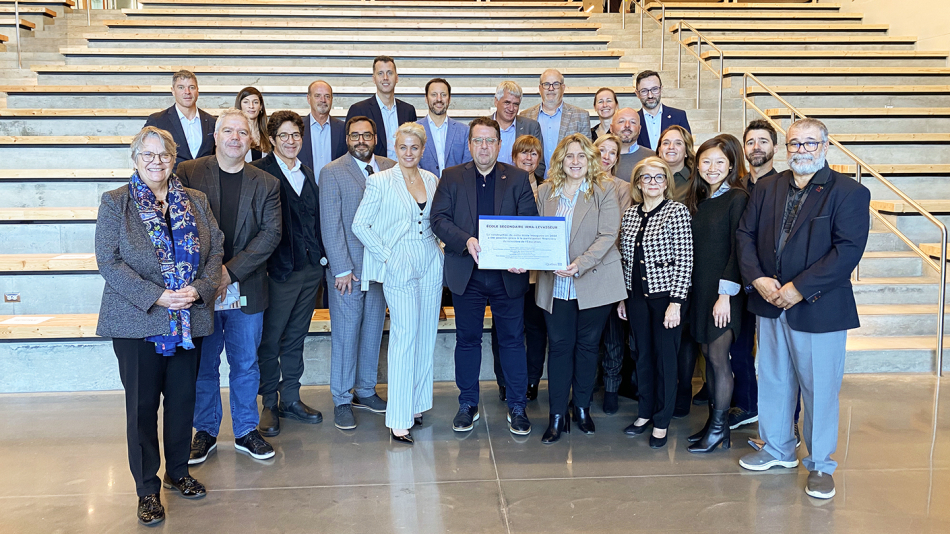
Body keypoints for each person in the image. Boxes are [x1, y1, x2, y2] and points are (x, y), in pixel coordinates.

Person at [96, 126, 223, 525]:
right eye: (148, 155)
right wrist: (157, 296)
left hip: (189, 317)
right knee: (142, 406)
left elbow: (215, 248)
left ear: (173, 160)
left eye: (164, 156)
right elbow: (109, 261)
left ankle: (179, 471)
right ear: (135, 159)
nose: (157, 162)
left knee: (183, 400)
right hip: (139, 322)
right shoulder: (116, 202)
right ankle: (147, 487)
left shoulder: (196, 200)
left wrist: (198, 290)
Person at [737, 118, 870, 500]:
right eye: (795, 144)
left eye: (810, 144)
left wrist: (799, 288)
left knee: (819, 390)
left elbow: (847, 252)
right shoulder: (768, 187)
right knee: (774, 381)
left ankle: (821, 465)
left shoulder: (848, 192)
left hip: (818, 309)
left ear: (826, 147)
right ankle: (778, 449)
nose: (802, 151)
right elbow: (745, 235)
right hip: (770, 302)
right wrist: (758, 278)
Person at [177, 108, 282, 465]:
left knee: (245, 363)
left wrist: (229, 273)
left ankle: (245, 431)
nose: (235, 138)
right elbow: (179, 228)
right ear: (216, 136)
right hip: (200, 291)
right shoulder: (188, 172)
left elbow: (271, 235)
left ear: (251, 139)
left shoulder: (266, 182)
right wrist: (210, 277)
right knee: (204, 365)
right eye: (228, 131)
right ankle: (205, 431)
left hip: (246, 287)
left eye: (242, 132)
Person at [431, 117, 539, 435]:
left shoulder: (517, 178)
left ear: (499, 144)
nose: (484, 146)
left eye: (490, 140)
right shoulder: (451, 177)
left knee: (512, 342)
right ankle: (467, 404)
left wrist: (520, 256)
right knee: (467, 341)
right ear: (469, 144)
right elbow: (438, 218)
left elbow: (528, 222)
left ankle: (517, 406)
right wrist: (465, 239)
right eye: (478, 140)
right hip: (468, 273)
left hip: (508, 276)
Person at [352, 122, 443, 444]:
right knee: (404, 335)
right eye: (403, 147)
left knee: (425, 333)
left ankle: (417, 405)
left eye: (414, 148)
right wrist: (388, 255)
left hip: (431, 259)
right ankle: (399, 418)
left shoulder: (432, 180)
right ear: (395, 147)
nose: (408, 153)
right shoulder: (379, 181)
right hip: (398, 261)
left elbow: (438, 220)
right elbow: (360, 224)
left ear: (422, 149)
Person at [535, 133, 626, 444]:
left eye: (581, 156)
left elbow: (608, 234)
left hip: (594, 279)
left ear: (591, 160)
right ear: (560, 160)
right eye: (569, 156)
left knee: (588, 348)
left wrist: (580, 263)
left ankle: (583, 408)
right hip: (555, 282)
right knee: (559, 348)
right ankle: (557, 415)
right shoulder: (545, 191)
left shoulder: (604, 189)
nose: (575, 162)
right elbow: (536, 234)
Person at [250, 110, 327, 438]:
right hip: (277, 272)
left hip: (310, 271)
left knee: (296, 337)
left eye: (296, 135)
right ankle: (270, 401)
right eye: (284, 136)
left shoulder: (307, 172)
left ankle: (291, 398)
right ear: (272, 139)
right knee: (271, 339)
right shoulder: (258, 173)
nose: (291, 141)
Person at [319, 116, 396, 430]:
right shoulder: (332, 171)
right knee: (346, 334)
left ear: (375, 137)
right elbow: (331, 223)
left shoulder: (391, 167)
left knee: (373, 330)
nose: (361, 140)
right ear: (347, 138)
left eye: (367, 135)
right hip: (348, 271)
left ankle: (365, 390)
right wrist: (341, 268)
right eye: (355, 135)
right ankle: (341, 398)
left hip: (382, 268)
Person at [617, 156, 692, 448]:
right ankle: (645, 412)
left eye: (659, 177)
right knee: (642, 357)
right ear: (637, 182)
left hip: (665, 300)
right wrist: (624, 296)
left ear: (667, 182)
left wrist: (676, 302)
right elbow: (626, 259)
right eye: (646, 177)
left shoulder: (677, 212)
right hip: (636, 298)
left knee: (665, 360)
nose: (652, 183)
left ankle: (662, 420)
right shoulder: (631, 214)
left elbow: (685, 260)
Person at [682, 136, 749, 454]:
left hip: (724, 293)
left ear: (732, 165)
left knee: (720, 360)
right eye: (706, 161)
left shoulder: (737, 198)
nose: (712, 168)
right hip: (700, 291)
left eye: (720, 162)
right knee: (708, 357)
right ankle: (713, 424)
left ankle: (721, 431)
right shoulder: (697, 199)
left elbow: (739, 251)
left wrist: (725, 295)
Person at [728, 119, 779, 431]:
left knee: (776, 357)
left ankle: (786, 418)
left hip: (772, 282)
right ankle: (747, 405)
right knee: (738, 348)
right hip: (739, 281)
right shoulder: (737, 186)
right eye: (750, 142)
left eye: (763, 141)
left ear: (774, 146)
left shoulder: (785, 184)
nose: (756, 147)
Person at [491, 134, 547, 402]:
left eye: (533, 153)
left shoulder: (549, 189)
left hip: (537, 275)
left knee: (535, 329)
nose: (528, 158)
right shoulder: (501, 185)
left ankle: (532, 380)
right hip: (506, 271)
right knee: (503, 329)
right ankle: (504, 381)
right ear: (513, 157)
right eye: (523, 153)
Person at [594, 132, 633, 414]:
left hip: (610, 267)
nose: (605, 157)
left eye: (612, 153)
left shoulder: (623, 187)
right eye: (601, 150)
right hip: (580, 269)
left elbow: (618, 230)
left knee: (612, 335)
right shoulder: (578, 182)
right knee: (586, 336)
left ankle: (611, 388)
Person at [519, 69, 591, 174]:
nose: (551, 88)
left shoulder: (580, 116)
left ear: (563, 88)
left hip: (568, 182)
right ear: (540, 88)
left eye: (556, 84)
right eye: (546, 84)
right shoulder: (525, 116)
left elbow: (586, 155)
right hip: (533, 181)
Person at [346, 55, 418, 160]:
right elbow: (350, 149)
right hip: (373, 172)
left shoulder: (408, 110)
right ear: (373, 78)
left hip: (404, 172)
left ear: (396, 77)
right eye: (380, 73)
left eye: (390, 73)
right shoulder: (359, 110)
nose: (385, 77)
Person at [144, 70, 215, 171]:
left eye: (192, 87)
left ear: (197, 90)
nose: (187, 92)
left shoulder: (213, 122)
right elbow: (145, 154)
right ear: (173, 91)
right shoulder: (157, 121)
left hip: (205, 184)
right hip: (171, 183)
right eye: (181, 87)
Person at [417, 78, 471, 177]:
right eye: (434, 94)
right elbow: (412, 165)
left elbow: (468, 166)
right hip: (424, 189)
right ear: (426, 98)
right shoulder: (414, 130)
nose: (439, 99)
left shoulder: (465, 131)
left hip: (456, 190)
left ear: (449, 99)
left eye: (443, 95)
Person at [493, 81, 544, 175]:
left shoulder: (531, 127)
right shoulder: (481, 127)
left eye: (516, 104)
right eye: (507, 102)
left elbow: (539, 165)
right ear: (496, 101)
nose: (511, 108)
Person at [300, 80, 347, 176]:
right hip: (305, 189)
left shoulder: (343, 129)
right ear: (308, 99)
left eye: (327, 96)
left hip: (335, 189)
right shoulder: (297, 128)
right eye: (317, 96)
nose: (323, 100)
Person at [635, 70, 691, 150]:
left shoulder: (679, 116)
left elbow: (688, 147)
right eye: (644, 91)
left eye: (654, 89)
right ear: (637, 93)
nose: (650, 95)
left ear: (661, 89)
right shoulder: (633, 121)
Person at [611, 108, 654, 183]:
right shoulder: (599, 157)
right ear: (611, 128)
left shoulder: (652, 157)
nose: (627, 125)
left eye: (633, 122)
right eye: (621, 121)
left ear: (639, 129)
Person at [656, 125, 695, 200]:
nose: (671, 147)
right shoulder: (647, 179)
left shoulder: (696, 181)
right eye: (666, 143)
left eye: (678, 143)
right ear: (660, 151)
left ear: (686, 151)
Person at [235, 86, 272, 161]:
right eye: (246, 102)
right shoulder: (234, 134)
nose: (251, 106)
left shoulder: (269, 133)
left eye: (255, 102)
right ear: (240, 106)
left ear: (260, 106)